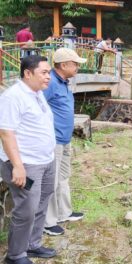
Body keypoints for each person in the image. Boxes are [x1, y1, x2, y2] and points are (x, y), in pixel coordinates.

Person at [0, 55, 56, 264]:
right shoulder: (13, 97)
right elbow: (6, 133)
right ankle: (15, 255)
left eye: (49, 72)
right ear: (28, 73)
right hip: (26, 164)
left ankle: (32, 244)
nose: (48, 77)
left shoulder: (36, 93)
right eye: (44, 72)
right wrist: (17, 166)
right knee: (26, 209)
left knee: (42, 201)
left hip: (46, 160)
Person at [43, 48, 86, 236]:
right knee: (51, 182)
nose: (77, 67)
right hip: (53, 141)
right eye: (75, 63)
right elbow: (37, 107)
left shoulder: (64, 82)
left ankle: (63, 212)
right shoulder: (50, 82)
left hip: (65, 139)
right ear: (63, 65)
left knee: (63, 178)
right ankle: (48, 222)